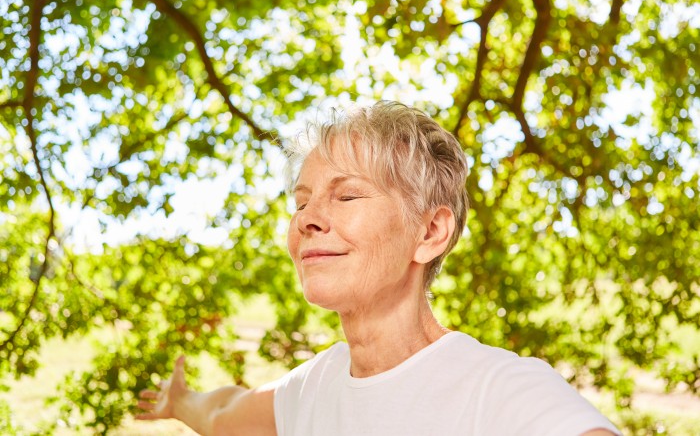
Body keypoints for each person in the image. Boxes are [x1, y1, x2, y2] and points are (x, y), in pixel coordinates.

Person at [136, 101, 619, 435]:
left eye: (346, 195)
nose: (306, 218)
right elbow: (222, 413)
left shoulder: (499, 391)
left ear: (430, 232)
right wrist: (179, 401)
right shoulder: (310, 390)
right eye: (301, 201)